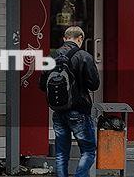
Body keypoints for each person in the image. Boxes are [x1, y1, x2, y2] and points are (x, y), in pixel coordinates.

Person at [40, 26, 101, 177]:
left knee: (61, 154)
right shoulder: (84, 56)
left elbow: (41, 85)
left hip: (58, 111)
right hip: (79, 111)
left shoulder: (51, 56)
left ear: (65, 38)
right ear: (80, 39)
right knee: (88, 151)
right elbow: (94, 84)